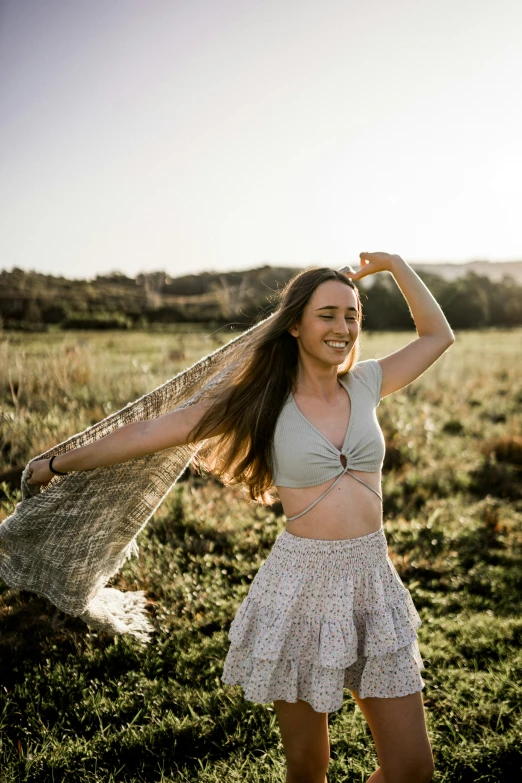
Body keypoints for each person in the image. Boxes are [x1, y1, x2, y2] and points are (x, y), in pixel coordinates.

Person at [28, 251, 454, 783]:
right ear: (295, 325)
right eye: (327, 314)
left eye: (352, 315)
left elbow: (438, 336)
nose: (343, 327)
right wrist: (54, 463)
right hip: (299, 587)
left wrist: (393, 265)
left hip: (372, 581)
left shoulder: (364, 384)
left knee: (412, 768)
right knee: (308, 767)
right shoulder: (259, 400)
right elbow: (147, 433)